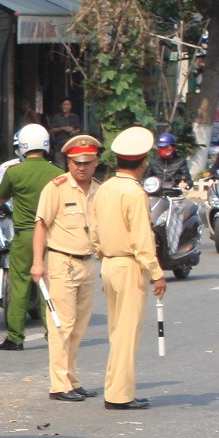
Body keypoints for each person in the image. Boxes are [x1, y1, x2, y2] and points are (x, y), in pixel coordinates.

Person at [92, 127, 165, 410]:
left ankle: (116, 388)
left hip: (109, 263)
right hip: (129, 264)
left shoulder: (106, 188)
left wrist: (104, 256)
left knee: (116, 330)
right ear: (143, 161)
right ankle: (120, 395)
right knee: (126, 332)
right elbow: (142, 240)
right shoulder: (134, 193)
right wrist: (157, 273)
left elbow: (94, 232)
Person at [30, 133, 101, 402]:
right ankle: (59, 384)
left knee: (80, 325)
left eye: (87, 162)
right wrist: (38, 263)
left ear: (95, 162)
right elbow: (41, 225)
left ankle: (71, 378)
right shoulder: (56, 187)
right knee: (62, 325)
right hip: (62, 261)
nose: (81, 167)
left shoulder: (99, 188)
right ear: (68, 162)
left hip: (87, 262)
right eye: (75, 162)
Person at [0, 124, 62, 352]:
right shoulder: (57, 173)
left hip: (24, 237)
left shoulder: (14, 172)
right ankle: (52, 333)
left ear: (21, 146)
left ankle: (15, 337)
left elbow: (1, 199)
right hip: (51, 238)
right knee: (47, 286)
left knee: (19, 284)